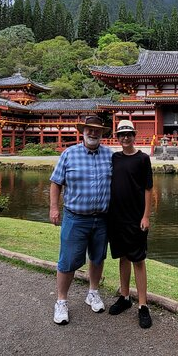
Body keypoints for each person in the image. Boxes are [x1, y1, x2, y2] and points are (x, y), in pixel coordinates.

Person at [49, 115, 113, 325]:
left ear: (102, 133)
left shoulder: (109, 156)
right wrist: (54, 208)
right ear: (82, 131)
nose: (93, 133)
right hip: (75, 218)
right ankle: (61, 301)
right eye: (89, 129)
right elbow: (56, 183)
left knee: (97, 258)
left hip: (102, 218)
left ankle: (92, 292)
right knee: (67, 261)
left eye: (97, 130)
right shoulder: (69, 154)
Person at [107, 120, 154, 329]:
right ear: (117, 137)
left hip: (136, 217)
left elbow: (148, 189)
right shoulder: (114, 158)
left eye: (128, 134)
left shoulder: (143, 159)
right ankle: (124, 296)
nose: (125, 138)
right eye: (121, 135)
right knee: (123, 257)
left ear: (135, 135)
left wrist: (146, 216)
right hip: (116, 217)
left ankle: (143, 305)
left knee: (138, 259)